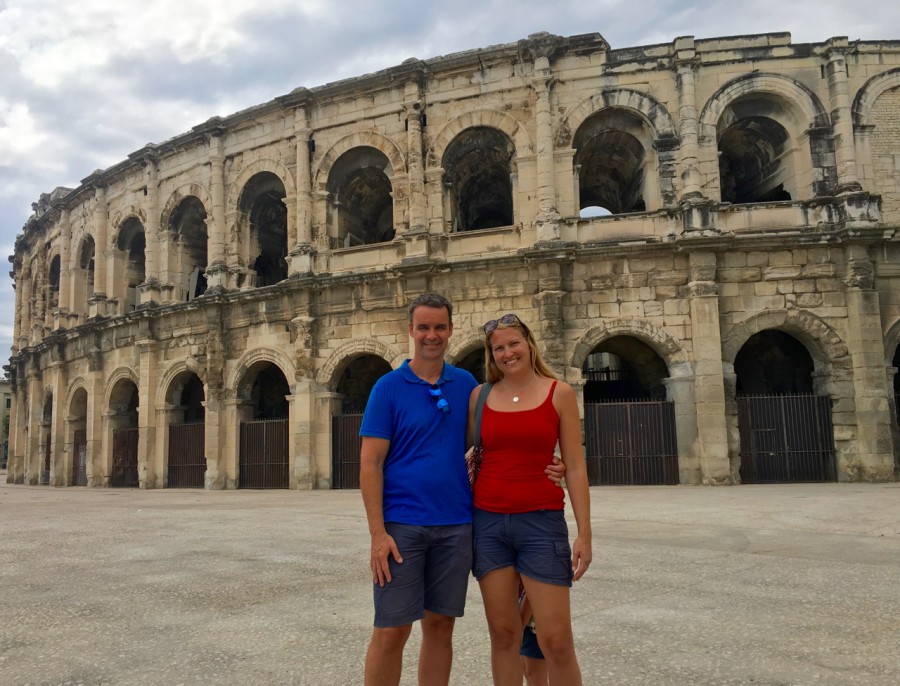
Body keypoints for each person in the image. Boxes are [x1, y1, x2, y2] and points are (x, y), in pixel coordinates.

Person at [359, 294, 565, 686]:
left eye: (439, 327)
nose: (431, 335)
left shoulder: (467, 386)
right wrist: (377, 534)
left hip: (457, 525)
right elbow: (370, 465)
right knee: (391, 631)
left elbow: (500, 437)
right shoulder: (387, 388)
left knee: (440, 628)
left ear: (451, 330)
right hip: (402, 527)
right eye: (424, 327)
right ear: (411, 331)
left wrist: (553, 462)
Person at [469, 312, 592, 686]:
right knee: (504, 636)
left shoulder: (560, 393)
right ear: (492, 356)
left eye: (513, 344)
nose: (508, 353)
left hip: (541, 523)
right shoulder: (480, 395)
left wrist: (584, 534)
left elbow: (574, 466)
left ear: (529, 344)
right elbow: (469, 456)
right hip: (488, 524)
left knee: (556, 640)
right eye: (499, 348)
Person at [518, 583, 549, 686]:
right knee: (529, 673)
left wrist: (519, 629)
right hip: (526, 622)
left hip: (532, 624)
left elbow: (531, 595)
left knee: (535, 678)